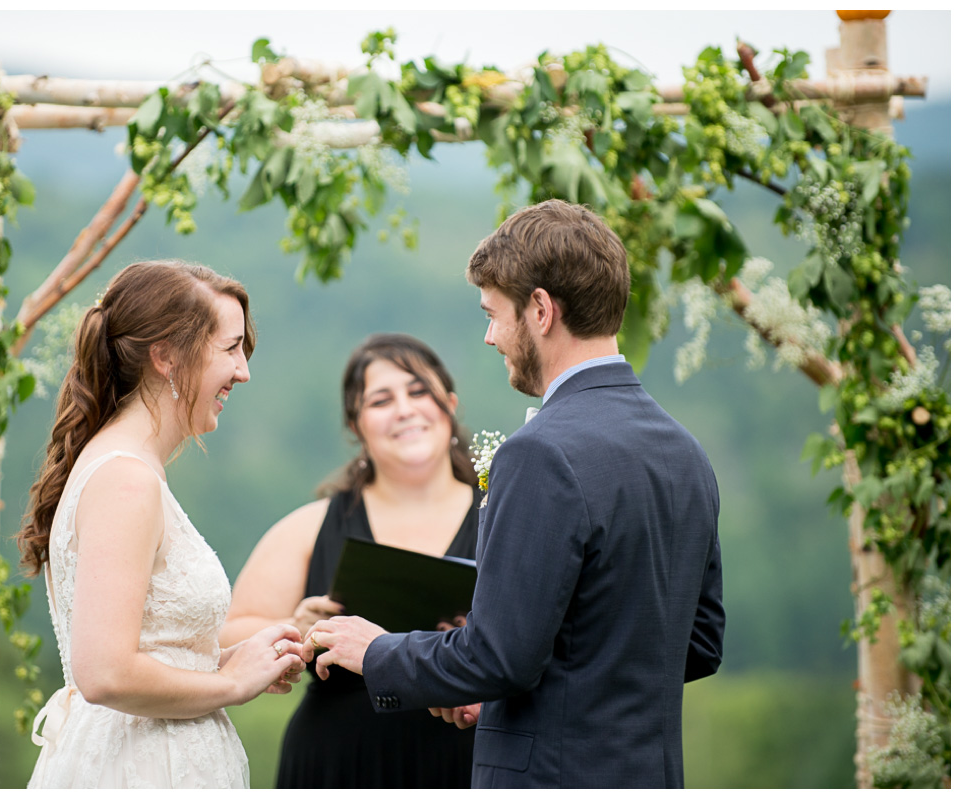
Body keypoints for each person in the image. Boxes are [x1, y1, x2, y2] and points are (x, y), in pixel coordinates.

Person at [304, 200, 725, 788]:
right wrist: (507, 694)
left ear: (541, 310)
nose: (489, 336)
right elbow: (698, 644)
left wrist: (376, 650)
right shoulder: (686, 453)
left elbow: (499, 657)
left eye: (494, 314)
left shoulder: (539, 454)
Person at [16, 260, 305, 789]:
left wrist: (236, 659)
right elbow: (105, 674)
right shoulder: (126, 480)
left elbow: (146, 647)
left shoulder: (132, 468)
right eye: (230, 348)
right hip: (143, 769)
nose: (243, 371)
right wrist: (231, 684)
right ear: (166, 356)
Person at [221, 333, 480, 788]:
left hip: (468, 761)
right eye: (381, 400)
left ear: (451, 405)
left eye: (419, 392)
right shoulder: (310, 526)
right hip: (339, 763)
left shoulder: (506, 518)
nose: (404, 409)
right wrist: (294, 627)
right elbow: (227, 634)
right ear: (356, 426)